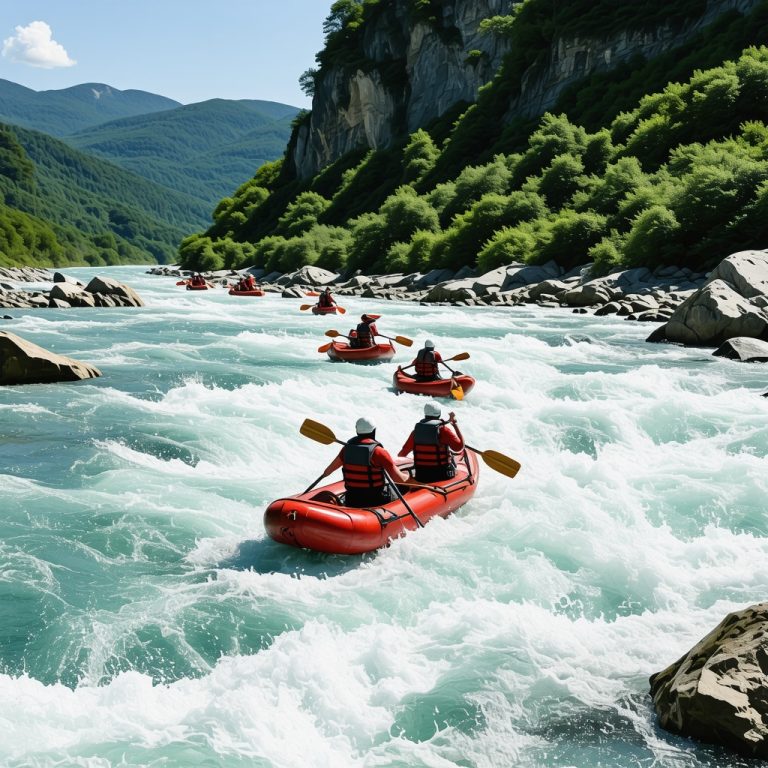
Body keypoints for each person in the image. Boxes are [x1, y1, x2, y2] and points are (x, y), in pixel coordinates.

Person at [321, 417, 409, 507]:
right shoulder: (379, 452)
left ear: (357, 430)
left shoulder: (346, 450)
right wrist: (409, 477)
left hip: (352, 500)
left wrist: (324, 474)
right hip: (375, 501)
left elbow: (328, 471)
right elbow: (399, 479)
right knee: (403, 488)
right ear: (374, 430)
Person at [398, 403, 464, 483]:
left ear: (425, 414)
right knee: (455, 467)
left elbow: (401, 455)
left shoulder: (416, 432)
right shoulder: (443, 430)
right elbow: (459, 448)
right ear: (439, 414)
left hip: (421, 475)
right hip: (442, 475)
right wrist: (455, 425)